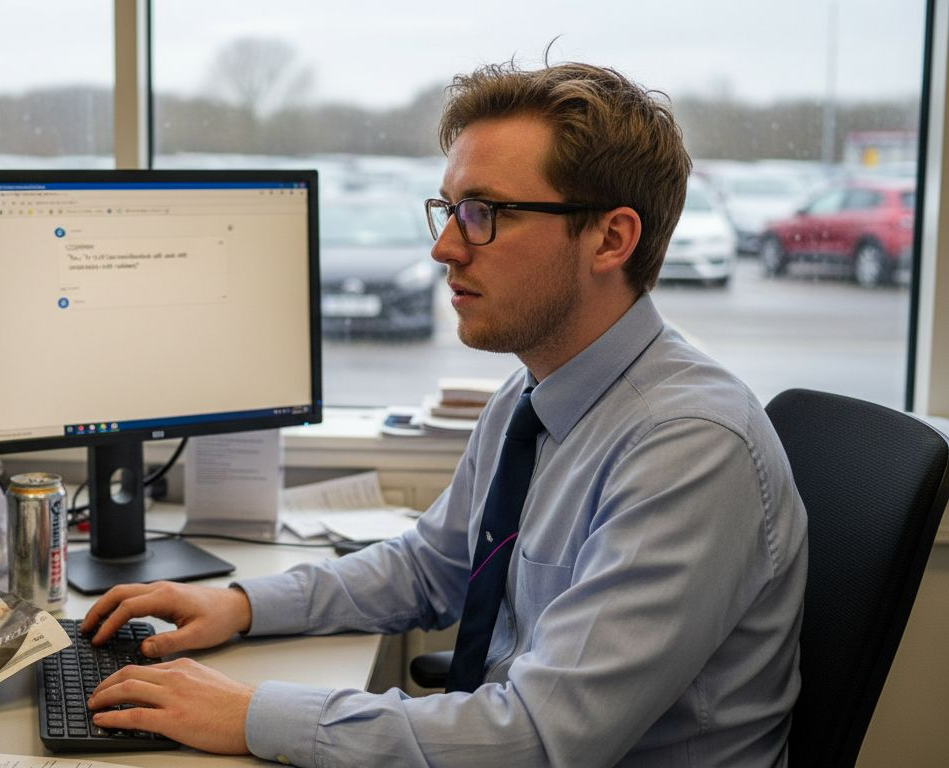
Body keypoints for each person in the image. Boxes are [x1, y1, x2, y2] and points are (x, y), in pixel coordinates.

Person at [80, 60, 808, 767]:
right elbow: (432, 565)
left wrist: (250, 714)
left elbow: (539, 741)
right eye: (450, 208)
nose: (444, 247)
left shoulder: (689, 447)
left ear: (611, 239)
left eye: (484, 214)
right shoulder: (538, 387)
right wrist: (241, 606)